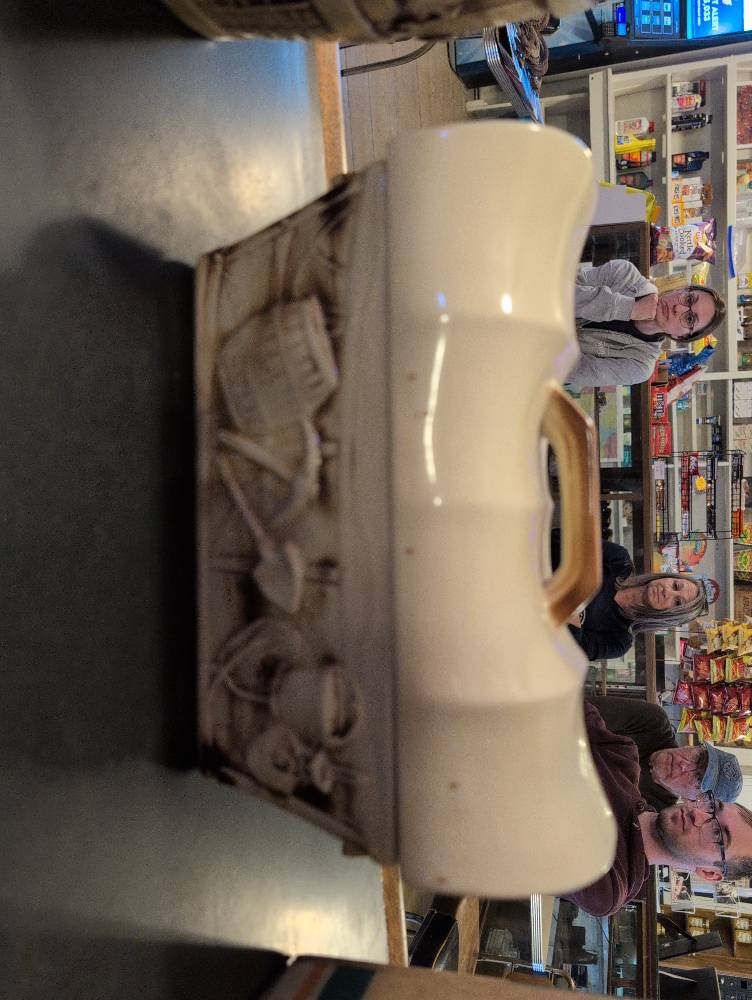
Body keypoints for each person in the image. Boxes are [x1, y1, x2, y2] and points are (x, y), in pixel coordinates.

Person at [566, 702, 752, 917]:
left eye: (717, 833)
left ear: (709, 872)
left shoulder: (609, 883)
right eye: (712, 807)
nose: (698, 814)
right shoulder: (624, 757)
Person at [566, 259, 726, 390]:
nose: (678, 308)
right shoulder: (625, 275)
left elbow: (570, 370)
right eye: (688, 299)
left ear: (681, 337)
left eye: (690, 319)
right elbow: (560, 294)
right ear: (679, 290)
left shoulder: (641, 366)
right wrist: (628, 308)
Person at [551, 532, 708, 660]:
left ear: (670, 616)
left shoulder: (619, 641)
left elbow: (570, 653)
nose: (667, 592)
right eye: (675, 586)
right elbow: (559, 540)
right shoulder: (619, 560)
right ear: (668, 577)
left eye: (677, 602)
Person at [588, 696, 743, 810]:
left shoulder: (653, 811)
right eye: (698, 757)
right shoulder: (653, 723)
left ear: (691, 800)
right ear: (694, 746)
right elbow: (579, 712)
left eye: (698, 778)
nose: (684, 765)